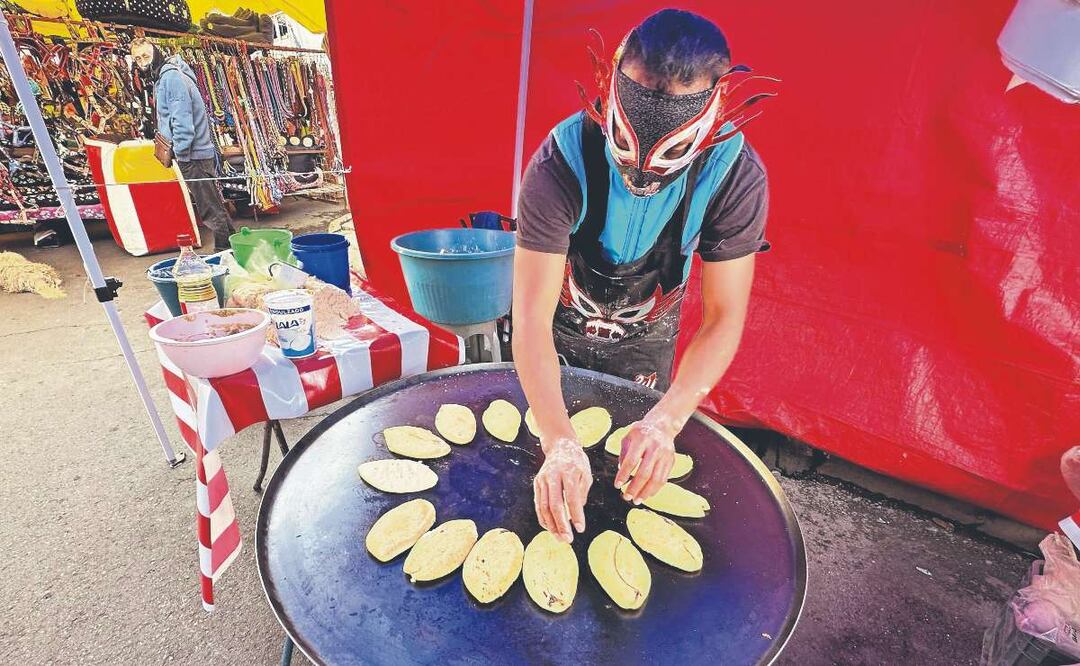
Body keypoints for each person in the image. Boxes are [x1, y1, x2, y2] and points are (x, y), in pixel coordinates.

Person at [513, 9, 775, 543]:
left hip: (648, 335)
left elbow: (724, 316)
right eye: (625, 150)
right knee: (536, 464)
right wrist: (558, 440)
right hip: (558, 331)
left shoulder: (734, 176)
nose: (637, 176)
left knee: (626, 492)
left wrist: (667, 420)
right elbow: (531, 318)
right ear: (609, 89)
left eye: (668, 158)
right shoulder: (561, 161)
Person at [130, 38, 236, 251]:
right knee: (212, 203)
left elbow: (182, 121)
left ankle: (224, 250)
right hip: (195, 152)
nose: (142, 62)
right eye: (138, 59)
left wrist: (181, 152)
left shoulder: (170, 77)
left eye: (146, 56)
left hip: (193, 154)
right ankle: (232, 247)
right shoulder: (167, 75)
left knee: (209, 208)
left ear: (156, 53)